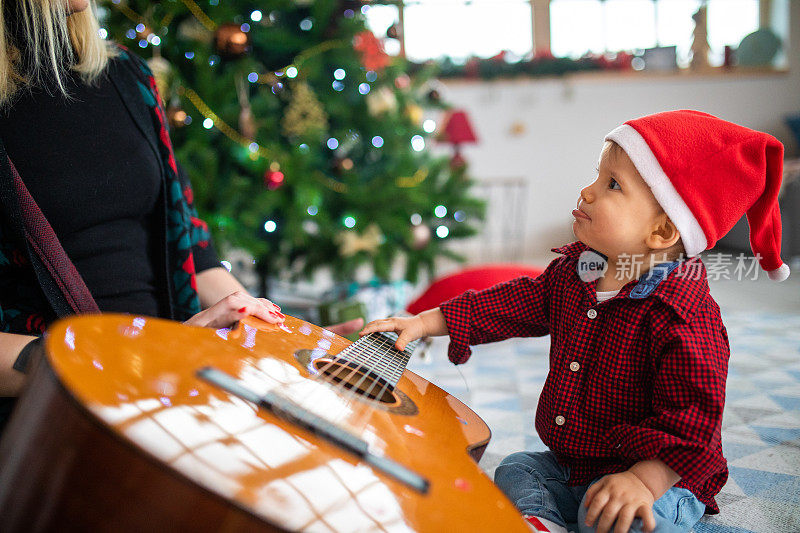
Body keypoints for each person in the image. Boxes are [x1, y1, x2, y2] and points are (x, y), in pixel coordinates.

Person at [361, 110, 789, 533]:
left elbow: (694, 420)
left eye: (612, 185)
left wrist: (642, 481)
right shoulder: (576, 272)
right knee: (518, 470)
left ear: (661, 232)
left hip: (664, 475)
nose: (587, 192)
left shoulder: (684, 317)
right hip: (581, 461)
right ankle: (542, 522)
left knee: (623, 520)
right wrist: (424, 321)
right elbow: (512, 303)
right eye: (597, 176)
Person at [0, 0, 361, 432]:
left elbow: (188, 243)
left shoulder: (127, 76)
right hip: (54, 422)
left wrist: (274, 338)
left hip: (174, 384)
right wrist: (134, 359)